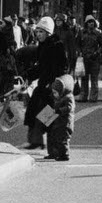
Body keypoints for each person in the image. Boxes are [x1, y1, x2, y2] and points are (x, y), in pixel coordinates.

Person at [22, 16, 69, 150]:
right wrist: (29, 74)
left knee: (47, 116)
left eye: (41, 32)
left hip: (52, 87)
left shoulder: (57, 45)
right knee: (33, 112)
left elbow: (63, 67)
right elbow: (41, 66)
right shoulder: (42, 46)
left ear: (48, 33)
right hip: (43, 85)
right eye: (37, 32)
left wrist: (53, 82)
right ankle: (35, 140)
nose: (38, 35)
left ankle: (49, 144)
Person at [42, 76, 76, 161]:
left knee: (62, 139)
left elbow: (69, 107)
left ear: (61, 91)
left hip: (65, 123)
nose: (54, 95)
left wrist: (59, 111)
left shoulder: (68, 97)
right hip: (58, 122)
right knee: (53, 138)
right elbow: (52, 107)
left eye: (55, 93)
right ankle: (53, 153)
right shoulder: (57, 97)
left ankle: (64, 155)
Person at [77, 15, 102, 103]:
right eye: (89, 22)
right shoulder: (81, 33)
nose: (91, 24)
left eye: (92, 22)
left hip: (94, 59)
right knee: (84, 78)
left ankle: (93, 97)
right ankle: (83, 96)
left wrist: (97, 52)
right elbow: (77, 44)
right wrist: (79, 52)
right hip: (85, 58)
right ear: (86, 23)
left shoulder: (98, 33)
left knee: (94, 79)